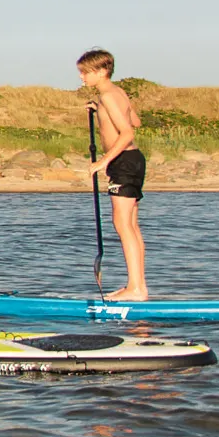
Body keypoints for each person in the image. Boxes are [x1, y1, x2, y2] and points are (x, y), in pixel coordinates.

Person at [76, 49, 149, 300]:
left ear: (101, 71)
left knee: (122, 224)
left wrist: (102, 161)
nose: (82, 78)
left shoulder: (108, 95)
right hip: (133, 160)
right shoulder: (116, 94)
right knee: (130, 226)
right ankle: (137, 287)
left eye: (85, 73)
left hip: (123, 161)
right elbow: (136, 121)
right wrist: (100, 110)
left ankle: (136, 289)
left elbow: (128, 132)